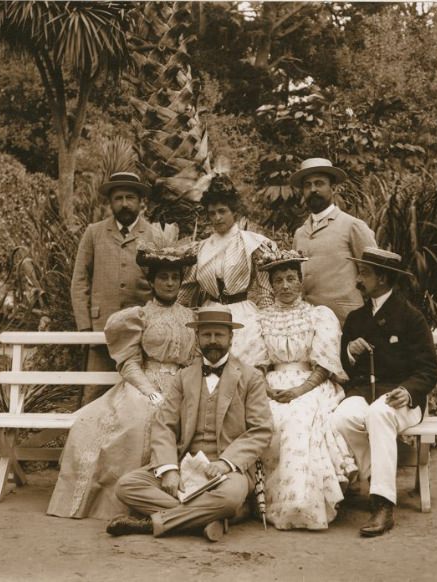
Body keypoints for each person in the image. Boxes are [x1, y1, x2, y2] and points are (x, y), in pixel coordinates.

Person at [48, 241, 199, 520]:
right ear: (151, 281)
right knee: (134, 420)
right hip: (144, 383)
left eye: (174, 277)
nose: (169, 283)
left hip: (181, 385)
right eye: (163, 277)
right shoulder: (139, 316)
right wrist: (149, 390)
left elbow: (194, 362)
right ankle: (123, 500)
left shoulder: (191, 318)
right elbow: (129, 363)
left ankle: (170, 494)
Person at [108, 306, 273, 542]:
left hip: (227, 470)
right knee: (126, 486)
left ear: (231, 338)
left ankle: (152, 524)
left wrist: (227, 463)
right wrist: (169, 470)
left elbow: (261, 430)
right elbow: (164, 424)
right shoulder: (184, 377)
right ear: (198, 338)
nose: (213, 341)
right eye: (207, 335)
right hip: (185, 465)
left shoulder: (250, 377)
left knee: (230, 497)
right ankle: (213, 518)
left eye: (219, 335)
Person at [331, 247, 437, 537]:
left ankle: (382, 503)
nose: (358, 278)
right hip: (364, 393)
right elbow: (343, 364)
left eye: (364, 273)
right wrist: (350, 352)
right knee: (339, 419)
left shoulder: (411, 317)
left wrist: (409, 390)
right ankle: (376, 478)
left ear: (382, 278)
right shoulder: (356, 318)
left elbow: (429, 369)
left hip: (401, 398)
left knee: (379, 413)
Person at [254, 249, 356, 530]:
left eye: (290, 278)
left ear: (300, 281)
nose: (285, 286)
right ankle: (267, 499)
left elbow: (324, 365)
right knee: (268, 418)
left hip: (311, 384)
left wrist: (300, 390)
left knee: (299, 420)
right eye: (278, 280)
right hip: (272, 385)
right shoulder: (261, 318)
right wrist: (265, 388)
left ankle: (301, 501)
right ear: (271, 285)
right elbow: (258, 364)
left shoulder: (318, 316)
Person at [71, 171, 155, 404]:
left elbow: (163, 283)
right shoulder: (94, 233)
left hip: (141, 330)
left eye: (130, 197)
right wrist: (84, 327)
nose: (124, 204)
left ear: (141, 201)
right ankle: (87, 441)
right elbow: (79, 281)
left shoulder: (154, 234)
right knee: (94, 392)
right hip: (101, 329)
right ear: (110, 202)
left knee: (140, 393)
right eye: (118, 198)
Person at [179, 175, 276, 362]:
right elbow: (186, 292)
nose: (217, 217)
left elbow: (265, 292)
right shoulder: (200, 249)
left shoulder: (254, 244)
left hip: (243, 313)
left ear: (235, 212)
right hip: (209, 313)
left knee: (244, 364)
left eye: (222, 211)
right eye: (212, 213)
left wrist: (268, 325)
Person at [291, 158, 377, 323]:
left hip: (346, 322)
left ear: (334, 188)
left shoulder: (352, 226)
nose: (313, 189)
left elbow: (373, 275)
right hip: (307, 322)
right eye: (307, 185)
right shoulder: (300, 233)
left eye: (319, 183)